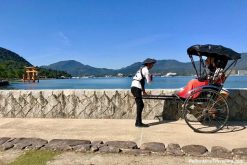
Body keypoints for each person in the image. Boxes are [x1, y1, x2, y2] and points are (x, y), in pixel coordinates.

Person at [131, 58, 156, 127]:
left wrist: (144, 91)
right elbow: (149, 82)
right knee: (140, 105)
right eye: (152, 64)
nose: (152, 65)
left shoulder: (141, 69)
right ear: (148, 64)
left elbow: (142, 81)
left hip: (134, 87)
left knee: (140, 105)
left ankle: (138, 122)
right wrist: (151, 77)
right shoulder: (146, 71)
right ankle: (138, 123)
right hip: (136, 88)